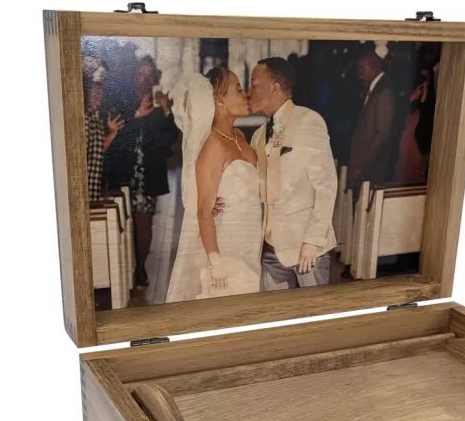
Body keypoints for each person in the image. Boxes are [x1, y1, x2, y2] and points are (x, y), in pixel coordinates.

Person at [165, 70, 261, 302]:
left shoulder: (239, 136)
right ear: (219, 102)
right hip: (226, 244)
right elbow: (203, 212)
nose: (245, 94)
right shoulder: (212, 146)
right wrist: (216, 262)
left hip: (250, 241)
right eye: (238, 89)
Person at [244, 57, 338, 290]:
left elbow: (326, 184)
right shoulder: (257, 136)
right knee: (277, 311)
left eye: (254, 85)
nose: (248, 92)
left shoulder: (308, 120)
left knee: (313, 311)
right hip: (269, 249)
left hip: (306, 248)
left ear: (274, 88)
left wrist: (312, 241)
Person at [115, 56, 179, 290]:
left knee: (144, 224)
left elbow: (171, 139)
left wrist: (166, 111)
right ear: (135, 77)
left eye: (148, 75)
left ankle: (140, 267)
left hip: (148, 175)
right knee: (122, 225)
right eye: (140, 75)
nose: (144, 80)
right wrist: (137, 116)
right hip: (122, 174)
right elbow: (117, 138)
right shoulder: (123, 103)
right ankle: (123, 271)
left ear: (154, 78)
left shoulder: (160, 108)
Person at [348, 48, 396, 192]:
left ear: (372, 67)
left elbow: (382, 134)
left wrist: (362, 167)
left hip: (370, 170)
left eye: (361, 70)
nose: (359, 75)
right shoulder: (376, 89)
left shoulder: (384, 92)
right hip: (366, 168)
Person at [82, 56, 123, 200]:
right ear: (85, 89)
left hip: (93, 193)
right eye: (95, 89)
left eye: (102, 90)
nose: (100, 95)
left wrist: (112, 134)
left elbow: (97, 150)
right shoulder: (79, 117)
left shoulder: (95, 115)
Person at [394, 67, 436, 184]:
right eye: (421, 78)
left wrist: (423, 99)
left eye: (426, 79)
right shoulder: (409, 100)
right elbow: (396, 119)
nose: (423, 82)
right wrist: (410, 99)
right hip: (402, 154)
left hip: (416, 154)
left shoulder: (430, 105)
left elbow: (425, 127)